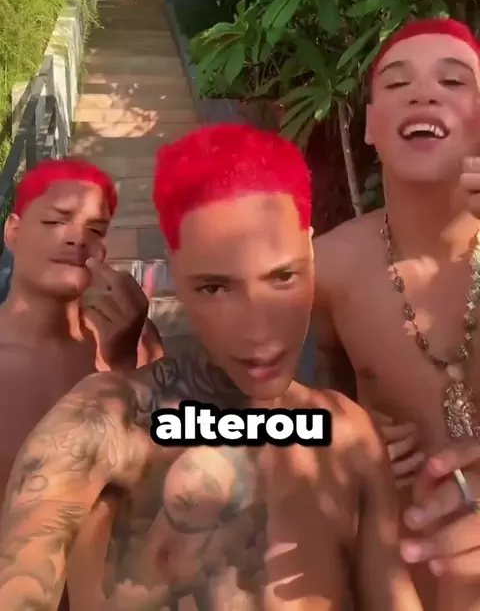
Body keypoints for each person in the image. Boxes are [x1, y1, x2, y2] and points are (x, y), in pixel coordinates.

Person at [0, 124, 422, 611]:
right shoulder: (99, 424)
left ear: (311, 251)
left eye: (282, 277)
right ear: (176, 273)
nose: (258, 327)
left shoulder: (349, 434)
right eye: (216, 287)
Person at [313, 17, 480, 608]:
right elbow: (262, 407)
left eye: (453, 82)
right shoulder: (327, 269)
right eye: (398, 83)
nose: (424, 93)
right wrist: (340, 430)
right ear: (370, 127)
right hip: (400, 583)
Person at [0, 158, 164, 500]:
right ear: (13, 232)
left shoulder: (136, 338)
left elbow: (157, 475)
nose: (78, 238)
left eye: (96, 230)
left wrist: (124, 369)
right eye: (55, 221)